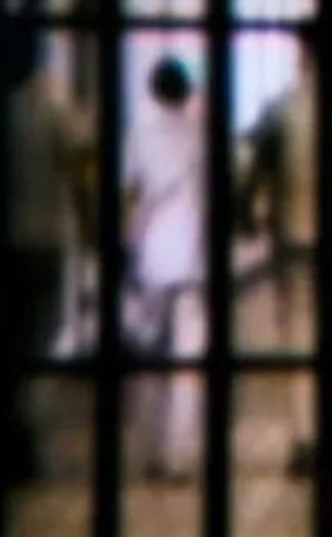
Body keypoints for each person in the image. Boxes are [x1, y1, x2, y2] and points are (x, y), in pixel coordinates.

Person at [0, 0, 94, 480]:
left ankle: (1, 431)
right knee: (40, 340)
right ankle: (20, 434)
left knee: (2, 340)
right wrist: (93, 232)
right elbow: (81, 177)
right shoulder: (56, 115)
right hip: (46, 243)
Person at [240, 41, 332, 476]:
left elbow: (254, 169)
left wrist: (253, 215)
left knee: (301, 342)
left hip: (295, 239)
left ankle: (305, 440)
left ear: (302, 55)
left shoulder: (281, 107)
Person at [123, 55, 206, 481]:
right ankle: (178, 454)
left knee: (148, 355)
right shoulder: (198, 134)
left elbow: (129, 190)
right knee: (186, 360)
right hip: (192, 257)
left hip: (152, 257)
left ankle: (149, 448)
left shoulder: (139, 131)